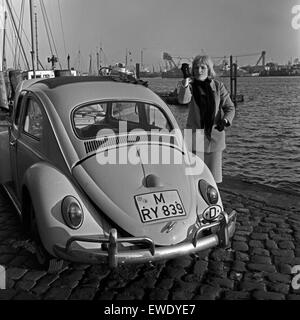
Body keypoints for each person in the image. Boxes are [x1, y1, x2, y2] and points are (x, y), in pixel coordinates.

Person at [177, 55, 235, 183]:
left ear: (209, 69)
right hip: (194, 138)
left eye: (203, 67)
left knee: (213, 180)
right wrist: (186, 80)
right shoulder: (189, 86)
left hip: (214, 138)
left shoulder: (218, 86)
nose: (199, 70)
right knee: (194, 179)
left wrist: (225, 121)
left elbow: (230, 107)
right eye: (196, 67)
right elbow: (182, 100)